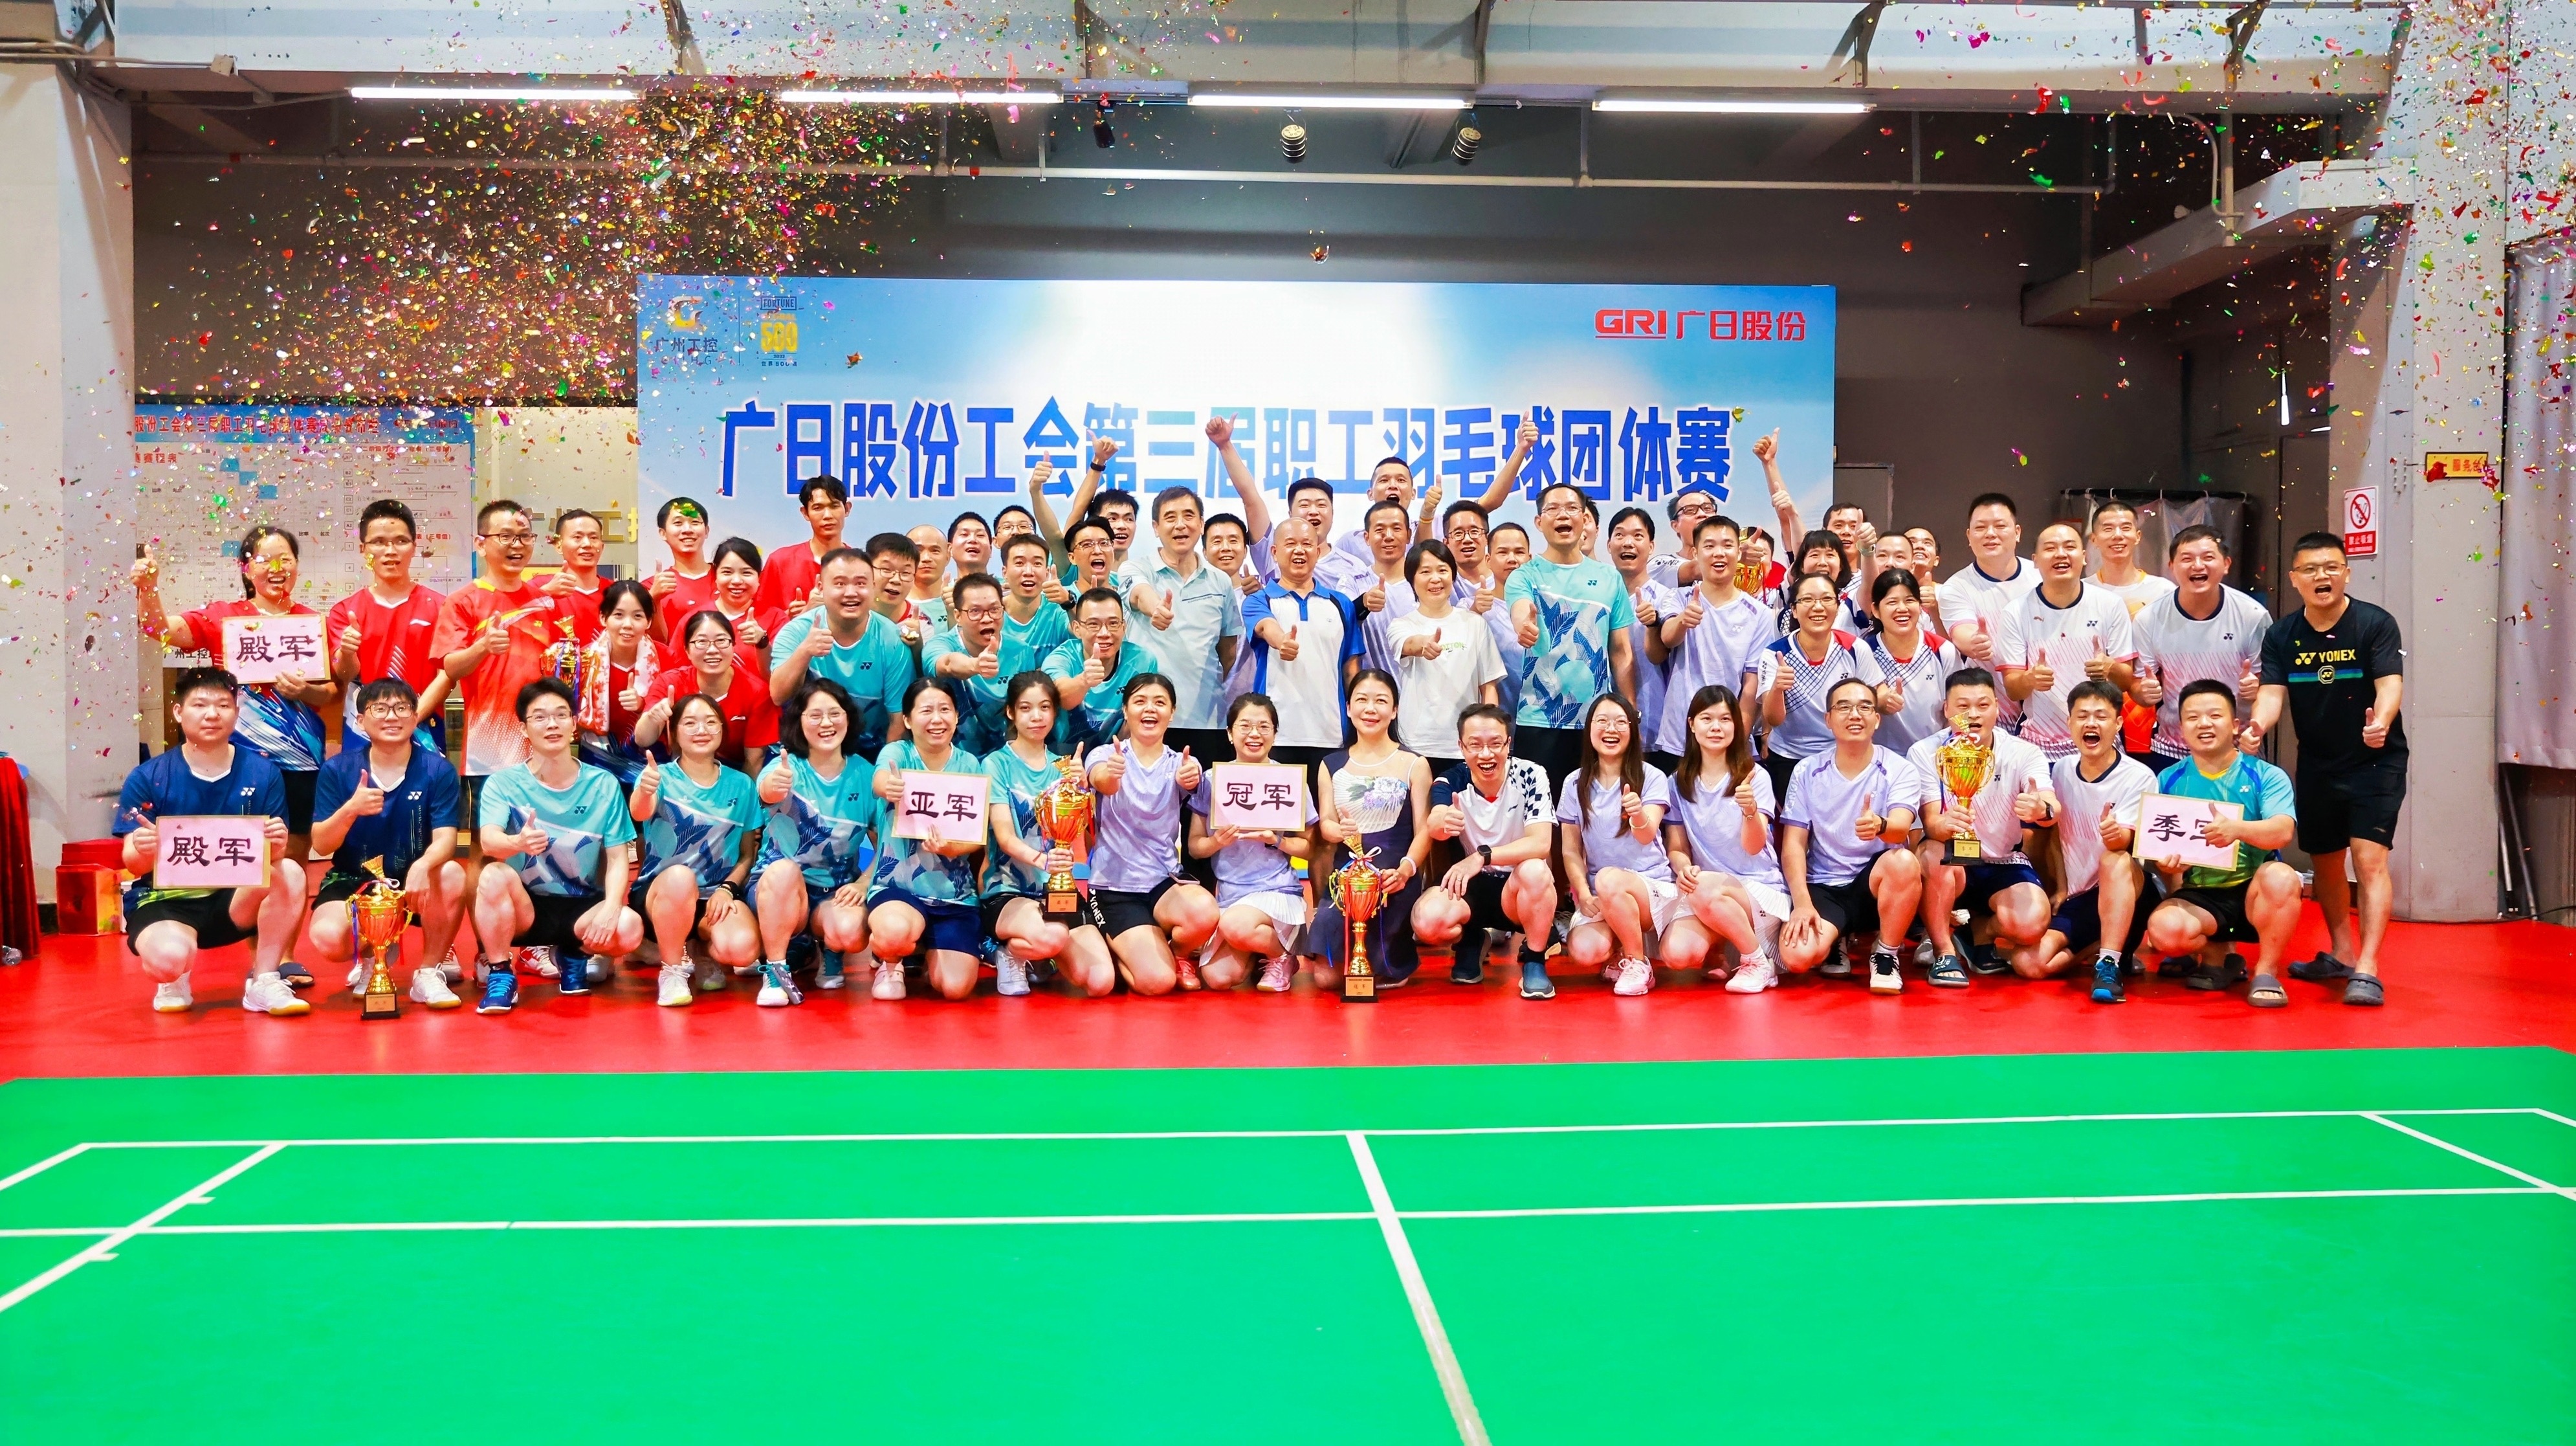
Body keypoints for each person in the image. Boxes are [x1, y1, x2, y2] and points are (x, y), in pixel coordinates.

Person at [130, 526, 333, 984]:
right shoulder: (224, 617)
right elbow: (161, 631)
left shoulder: (311, 623)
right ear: (245, 568)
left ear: (297, 566)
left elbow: (329, 693)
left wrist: (305, 690)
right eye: (264, 560)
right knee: (243, 856)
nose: (276, 569)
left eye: (285, 559)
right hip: (238, 764)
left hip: (300, 759)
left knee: (291, 860)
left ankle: (281, 958)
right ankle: (238, 950)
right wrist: (148, 589)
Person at [2250, 532, 2405, 1006]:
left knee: (2369, 858)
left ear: (2346, 573)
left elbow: (2389, 683)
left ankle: (2368, 967)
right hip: (2317, 762)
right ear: (2295, 579)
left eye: (2331, 567)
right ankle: (2341, 953)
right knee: (2325, 861)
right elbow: (2271, 693)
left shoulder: (2374, 623)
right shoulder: (2282, 635)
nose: (2323, 576)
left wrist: (2380, 723)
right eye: (2311, 569)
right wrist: (2256, 726)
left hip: (2374, 761)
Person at [114, 667, 312, 1018]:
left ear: (237, 712)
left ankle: (265, 979)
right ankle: (173, 978)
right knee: (169, 961)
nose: (212, 714)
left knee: (290, 872)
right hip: (167, 901)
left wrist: (278, 842)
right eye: (200, 705)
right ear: (179, 712)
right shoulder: (149, 777)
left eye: (223, 705)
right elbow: (133, 862)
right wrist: (144, 848)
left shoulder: (263, 773)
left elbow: (273, 854)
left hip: (232, 901)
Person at [468, 678, 646, 1014]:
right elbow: (489, 841)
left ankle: (574, 954)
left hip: (582, 906)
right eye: (540, 717)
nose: (552, 724)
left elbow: (618, 857)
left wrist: (612, 906)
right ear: (524, 729)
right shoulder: (503, 783)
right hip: (526, 908)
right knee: (492, 875)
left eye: (561, 715)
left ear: (574, 724)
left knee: (630, 928)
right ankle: (501, 972)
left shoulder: (603, 784)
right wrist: (517, 842)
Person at [307, 678, 468, 1010]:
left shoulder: (437, 769)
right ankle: (374, 953)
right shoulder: (338, 769)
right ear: (360, 720)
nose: (391, 717)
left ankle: (429, 972)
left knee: (452, 873)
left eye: (401, 708)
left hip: (414, 880)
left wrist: (424, 865)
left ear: (415, 717)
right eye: (379, 709)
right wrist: (350, 810)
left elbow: (447, 839)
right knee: (328, 938)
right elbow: (321, 844)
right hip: (354, 879)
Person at [2140, 680, 2303, 1007]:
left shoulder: (2266, 775)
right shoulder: (2167, 780)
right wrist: (2168, 863)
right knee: (2163, 930)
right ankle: (2218, 957)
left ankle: (2266, 972)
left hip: (2254, 893)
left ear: (2235, 725)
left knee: (2282, 877)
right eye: (2193, 718)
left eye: (2215, 716)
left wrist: (2237, 830)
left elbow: (2283, 831)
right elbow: (2158, 849)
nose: (2204, 724)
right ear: (2181, 728)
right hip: (2201, 895)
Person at [1777, 677, 1926, 994]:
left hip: (1874, 884)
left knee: (1903, 862)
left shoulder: (1900, 768)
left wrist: (1880, 825)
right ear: (1828, 720)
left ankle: (1886, 953)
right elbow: (1793, 844)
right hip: (1825, 886)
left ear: (1877, 719)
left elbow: (1902, 827)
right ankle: (1837, 939)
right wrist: (1802, 903)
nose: (1855, 715)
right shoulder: (1806, 770)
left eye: (1864, 707)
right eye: (1843, 707)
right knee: (1797, 957)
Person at [1910, 667, 2056, 985]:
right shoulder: (1925, 752)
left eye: (1983, 705)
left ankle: (1976, 933)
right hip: (1952, 860)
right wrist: (1945, 823)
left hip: (2002, 861)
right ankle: (1944, 951)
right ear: (1946, 709)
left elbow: (2050, 806)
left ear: (1998, 708)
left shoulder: (2023, 752)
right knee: (1933, 855)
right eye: (1962, 706)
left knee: (2031, 924)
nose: (1973, 715)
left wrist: (2040, 808)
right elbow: (1931, 823)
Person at [980, 671, 1117, 997]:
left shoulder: (1065, 767)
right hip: (1008, 889)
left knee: (1101, 981)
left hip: (1058, 891)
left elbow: (1082, 843)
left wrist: (1082, 789)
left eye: (1044, 707)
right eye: (1026, 708)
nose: (1036, 716)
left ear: (1055, 713)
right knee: (1051, 936)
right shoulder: (996, 764)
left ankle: (1042, 957)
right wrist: (1044, 860)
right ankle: (1010, 953)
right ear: (1011, 713)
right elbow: (1005, 837)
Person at [1084, 674, 1220, 994]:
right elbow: (1102, 781)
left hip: (1163, 883)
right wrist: (1111, 775)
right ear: (1126, 710)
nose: (1150, 709)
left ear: (1172, 712)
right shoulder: (1105, 755)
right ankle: (1119, 952)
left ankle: (1178, 954)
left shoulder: (1183, 763)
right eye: (1140, 701)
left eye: (1160, 702)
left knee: (1205, 911)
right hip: (1114, 888)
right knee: (1157, 983)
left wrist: (1191, 780)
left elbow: (1194, 785)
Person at [1413, 704, 1559, 995]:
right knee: (1426, 921)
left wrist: (1483, 856)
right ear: (1461, 747)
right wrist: (1443, 822)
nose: (1486, 754)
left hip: (1518, 888)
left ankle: (1534, 961)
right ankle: (1472, 940)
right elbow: (1436, 822)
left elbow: (1541, 843)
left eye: (1495, 744)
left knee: (1535, 869)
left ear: (1508, 744)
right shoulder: (1450, 780)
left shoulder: (1531, 774)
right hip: (1473, 887)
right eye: (1475, 745)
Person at [628, 694, 764, 1005]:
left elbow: (748, 854)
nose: (701, 730)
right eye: (690, 723)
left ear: (722, 730)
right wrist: (645, 790)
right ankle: (672, 970)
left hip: (715, 895)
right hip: (663, 894)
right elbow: (639, 811)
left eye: (710, 722)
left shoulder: (742, 785)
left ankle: (701, 951)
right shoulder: (658, 776)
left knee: (742, 950)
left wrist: (728, 889)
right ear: (674, 732)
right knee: (680, 878)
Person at [2027, 680, 2157, 1003]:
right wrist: (2060, 888)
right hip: (2080, 897)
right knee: (2031, 964)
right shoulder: (2060, 771)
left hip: (2126, 889)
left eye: (2101, 716)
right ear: (2069, 722)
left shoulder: (2139, 776)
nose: (2091, 723)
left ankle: (2108, 963)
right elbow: (2056, 835)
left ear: (2118, 723)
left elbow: (2125, 844)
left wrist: (2116, 836)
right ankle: (2102, 946)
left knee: (2113, 859)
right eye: (2082, 716)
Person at [752, 678, 880, 1004]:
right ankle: (776, 970)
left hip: (833, 892)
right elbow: (766, 791)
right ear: (799, 721)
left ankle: (829, 948)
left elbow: (887, 844)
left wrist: (864, 882)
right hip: (779, 890)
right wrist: (774, 787)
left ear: (848, 718)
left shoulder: (866, 775)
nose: (826, 723)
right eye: (815, 715)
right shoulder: (784, 767)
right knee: (784, 871)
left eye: (835, 714)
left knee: (851, 932)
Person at [1661, 683, 1792, 992]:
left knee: (1704, 886)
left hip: (1756, 887)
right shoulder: (1677, 782)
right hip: (1707, 892)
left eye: (1725, 719)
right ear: (1692, 725)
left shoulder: (1755, 776)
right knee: (1676, 954)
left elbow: (1754, 847)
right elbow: (1677, 847)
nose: (1716, 727)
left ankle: (1758, 963)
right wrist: (1683, 868)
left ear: (1736, 725)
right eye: (1707, 719)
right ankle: (1721, 949)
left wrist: (1750, 811)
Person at [864, 680, 989, 1001]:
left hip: (953, 895)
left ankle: (923, 947)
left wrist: (951, 848)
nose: (937, 719)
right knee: (894, 934)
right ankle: (890, 960)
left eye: (945, 709)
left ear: (957, 717)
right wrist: (889, 786)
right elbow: (880, 780)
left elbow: (975, 838)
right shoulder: (897, 753)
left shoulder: (970, 764)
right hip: (899, 888)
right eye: (926, 711)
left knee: (955, 989)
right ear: (907, 719)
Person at [1510, 483, 1640, 788]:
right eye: (1553, 509)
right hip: (1539, 718)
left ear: (1585, 519)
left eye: (1571, 509)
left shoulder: (1609, 578)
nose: (1563, 515)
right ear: (1539, 522)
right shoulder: (1525, 575)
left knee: (1595, 808)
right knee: (1541, 811)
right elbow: (1521, 609)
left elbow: (1621, 651)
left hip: (1597, 722)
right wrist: (1524, 625)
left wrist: (1630, 712)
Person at [1185, 693, 1317, 992]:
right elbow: (1195, 846)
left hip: (1276, 891)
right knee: (1218, 978)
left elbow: (1310, 848)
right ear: (1229, 734)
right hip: (1231, 894)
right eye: (1244, 726)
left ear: (1275, 734)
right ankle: (1261, 952)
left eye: (1264, 727)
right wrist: (1217, 842)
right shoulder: (1211, 780)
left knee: (1236, 926)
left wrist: (1277, 840)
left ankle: (1283, 955)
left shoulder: (1289, 780)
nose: (1254, 734)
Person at [1310, 669, 1433, 989]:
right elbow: (1326, 824)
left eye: (1381, 701)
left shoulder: (1415, 764)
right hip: (1346, 881)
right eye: (1362, 700)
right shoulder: (1330, 764)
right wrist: (1340, 831)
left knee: (1376, 969)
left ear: (1394, 710)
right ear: (1349, 708)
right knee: (1325, 978)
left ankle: (1390, 958)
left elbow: (1424, 831)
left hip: (1395, 879)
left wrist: (1405, 870)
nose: (1370, 709)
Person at [433, 500, 562, 792]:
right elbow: (451, 667)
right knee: (486, 820)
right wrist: (483, 646)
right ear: (481, 544)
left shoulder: (545, 603)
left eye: (525, 536)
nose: (517, 545)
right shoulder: (462, 601)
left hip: (542, 744)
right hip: (487, 748)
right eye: (506, 536)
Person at [1555, 693, 1676, 997]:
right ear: (1589, 728)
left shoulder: (1652, 777)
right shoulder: (1574, 783)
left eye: (1621, 722)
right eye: (1603, 721)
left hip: (1649, 887)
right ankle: (1619, 951)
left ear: (1633, 730)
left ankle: (1637, 963)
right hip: (1602, 891)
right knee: (1585, 951)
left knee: (1609, 878)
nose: (1611, 729)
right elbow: (1570, 850)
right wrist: (1583, 893)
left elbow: (1647, 835)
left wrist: (1637, 814)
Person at [2129, 524, 2269, 774]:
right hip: (2172, 746)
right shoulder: (2149, 619)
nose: (2197, 566)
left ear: (2226, 564)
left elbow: (2269, 686)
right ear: (2171, 567)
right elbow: (2140, 687)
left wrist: (2257, 686)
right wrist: (2144, 692)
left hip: (2236, 745)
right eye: (2186, 559)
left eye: (2208, 557)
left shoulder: (2253, 615)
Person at [1119, 486, 1244, 761]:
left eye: (1189, 516)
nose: (1180, 525)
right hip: (1148, 719)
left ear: (1201, 524)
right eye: (1170, 517)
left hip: (1207, 720)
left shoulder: (1220, 580)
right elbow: (1139, 593)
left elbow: (1228, 651)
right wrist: (1156, 608)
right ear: (1156, 527)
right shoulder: (1135, 568)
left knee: (1203, 790)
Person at [1997, 520, 2138, 761]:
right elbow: (2012, 689)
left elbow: (2126, 681)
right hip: (2040, 744)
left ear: (2084, 557)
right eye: (2050, 548)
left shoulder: (2110, 604)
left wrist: (2110, 668)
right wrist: (2030, 679)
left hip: (2100, 742)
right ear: (2035, 560)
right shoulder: (2015, 611)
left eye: (2069, 547)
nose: (2061, 554)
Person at [1238, 520, 1364, 777]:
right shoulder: (1259, 600)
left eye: (1307, 544)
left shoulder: (1341, 604)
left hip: (1332, 734)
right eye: (1290, 544)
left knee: (1325, 805)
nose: (1299, 550)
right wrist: (1281, 641)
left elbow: (1351, 670)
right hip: (1274, 735)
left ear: (1317, 552)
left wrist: (1357, 728)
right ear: (1275, 553)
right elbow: (1266, 627)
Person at [769, 546, 919, 762]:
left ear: (873, 587)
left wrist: (885, 771)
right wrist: (805, 651)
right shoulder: (797, 631)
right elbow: (778, 696)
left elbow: (898, 721)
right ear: (821, 587)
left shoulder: (893, 641)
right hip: (807, 746)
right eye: (840, 584)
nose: (851, 593)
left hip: (871, 749)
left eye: (861, 584)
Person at [327, 498, 452, 753]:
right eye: (379, 542)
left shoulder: (442, 606)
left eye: (401, 541)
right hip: (363, 731)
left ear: (414, 547)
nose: (390, 551)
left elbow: (447, 675)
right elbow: (344, 674)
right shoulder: (345, 611)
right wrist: (348, 652)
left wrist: (411, 718)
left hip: (424, 728)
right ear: (363, 549)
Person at [931, 537, 1073, 755]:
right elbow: (947, 664)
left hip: (1006, 756)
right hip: (953, 757)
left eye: (994, 610)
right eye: (975, 611)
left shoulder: (1022, 651)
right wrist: (975, 665)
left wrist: (1069, 602)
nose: (987, 618)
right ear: (958, 615)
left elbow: (1022, 711)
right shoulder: (940, 644)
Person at [1654, 515, 1778, 765]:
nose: (1719, 553)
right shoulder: (1678, 597)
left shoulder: (1760, 614)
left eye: (1727, 545)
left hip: (1729, 739)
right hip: (1679, 738)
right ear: (1695, 553)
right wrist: (1683, 620)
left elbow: (1751, 685)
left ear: (1739, 552)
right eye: (1709, 546)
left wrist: (1736, 742)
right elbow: (1666, 638)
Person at [1756, 573, 1883, 803]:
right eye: (1807, 600)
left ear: (1837, 606)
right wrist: (1777, 688)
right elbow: (1774, 719)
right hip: (1789, 757)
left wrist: (1888, 699)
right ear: (1794, 610)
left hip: (1843, 754)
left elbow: (1874, 699)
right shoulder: (1774, 654)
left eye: (1826, 599)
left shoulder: (1856, 648)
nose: (1818, 607)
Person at [1389, 541, 1505, 766]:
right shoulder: (1401, 625)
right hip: (1416, 745)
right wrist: (1424, 645)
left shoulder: (1475, 623)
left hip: (1465, 746)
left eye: (1442, 570)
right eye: (1425, 572)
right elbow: (1409, 644)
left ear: (1453, 576)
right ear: (1412, 579)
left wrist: (1487, 736)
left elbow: (1489, 686)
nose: (1435, 579)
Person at [635, 610, 778, 771]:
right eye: (702, 642)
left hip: (734, 772)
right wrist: (653, 718)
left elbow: (754, 761)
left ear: (733, 646)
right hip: (680, 769)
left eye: (721, 641)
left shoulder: (757, 692)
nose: (712, 650)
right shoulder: (670, 683)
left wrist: (742, 788)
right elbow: (642, 740)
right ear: (687, 650)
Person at [1936, 494, 2042, 706]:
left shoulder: (2041, 575)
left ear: (2017, 532)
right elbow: (1962, 633)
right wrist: (1975, 643)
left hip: (2043, 705)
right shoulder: (1956, 587)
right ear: (1969, 536)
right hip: (1987, 709)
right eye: (1980, 527)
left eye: (2000, 526)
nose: (1990, 534)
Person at [1605, 507, 1679, 769]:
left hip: (1657, 727)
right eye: (1620, 535)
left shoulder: (1668, 598)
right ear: (1609, 545)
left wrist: (1653, 624)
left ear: (1651, 546)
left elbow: (1661, 655)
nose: (1628, 543)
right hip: (1604, 728)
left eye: (1638, 536)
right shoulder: (1599, 598)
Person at [1046, 587, 1157, 754]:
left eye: (1113, 624)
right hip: (1060, 758)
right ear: (1077, 628)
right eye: (1093, 624)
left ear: (1124, 627)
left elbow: (1140, 720)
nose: (1104, 633)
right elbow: (1061, 697)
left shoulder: (1143, 662)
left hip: (1113, 757)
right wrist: (1084, 681)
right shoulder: (1061, 658)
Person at [1862, 568, 1962, 755]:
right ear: (1875, 610)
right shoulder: (1863, 652)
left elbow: (1958, 708)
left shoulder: (1943, 651)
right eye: (1892, 602)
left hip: (1935, 755)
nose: (1902, 609)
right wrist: (1878, 702)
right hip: (1882, 758)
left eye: (1909, 600)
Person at [1317, 498, 1420, 676]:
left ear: (1409, 535)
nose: (1389, 536)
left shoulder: (1425, 582)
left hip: (1421, 689)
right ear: (1367, 537)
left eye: (1396, 529)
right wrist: (1363, 604)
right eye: (1380, 530)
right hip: (1372, 690)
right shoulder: (1352, 582)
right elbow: (1342, 624)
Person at [1440, 500, 1524, 717]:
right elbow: (1452, 645)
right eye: (1458, 533)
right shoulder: (1464, 602)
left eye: (1519, 552)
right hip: (1486, 714)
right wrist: (1476, 611)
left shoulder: (1544, 601)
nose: (1512, 559)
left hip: (1538, 715)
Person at [574, 581, 661, 788]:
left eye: (637, 616)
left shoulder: (665, 658)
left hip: (651, 761)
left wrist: (643, 705)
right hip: (596, 761)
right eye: (619, 615)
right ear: (603, 618)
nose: (628, 625)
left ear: (649, 621)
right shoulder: (583, 661)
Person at [757, 474, 849, 616]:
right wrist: (788, 617)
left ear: (847, 509)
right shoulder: (780, 561)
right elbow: (760, 616)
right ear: (805, 513)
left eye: (834, 506)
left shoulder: (860, 565)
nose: (827, 515)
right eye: (818, 508)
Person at [1027, 437, 1123, 569]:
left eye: (1104, 543)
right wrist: (1036, 490)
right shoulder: (1071, 570)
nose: (1097, 550)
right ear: (1072, 557)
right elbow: (1056, 534)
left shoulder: (1123, 578)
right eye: (1087, 544)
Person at [646, 496, 719, 643]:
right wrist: (653, 599)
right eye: (678, 523)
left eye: (695, 522)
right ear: (663, 533)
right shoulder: (651, 587)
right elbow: (657, 643)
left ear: (706, 531)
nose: (687, 530)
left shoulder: (727, 579)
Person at [709, 537, 783, 663]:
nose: (737, 581)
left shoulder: (776, 619)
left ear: (759, 578)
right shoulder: (697, 618)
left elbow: (787, 671)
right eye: (727, 572)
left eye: (746, 573)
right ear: (715, 575)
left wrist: (763, 642)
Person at [542, 509, 609, 647]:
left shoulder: (616, 593)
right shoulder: (540, 586)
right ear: (558, 545)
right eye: (577, 537)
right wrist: (545, 594)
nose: (587, 544)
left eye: (594, 538)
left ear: (602, 547)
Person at [948, 511, 994, 578]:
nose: (973, 540)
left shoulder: (1008, 584)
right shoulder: (942, 585)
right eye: (964, 534)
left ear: (991, 550)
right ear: (950, 549)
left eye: (980, 535)